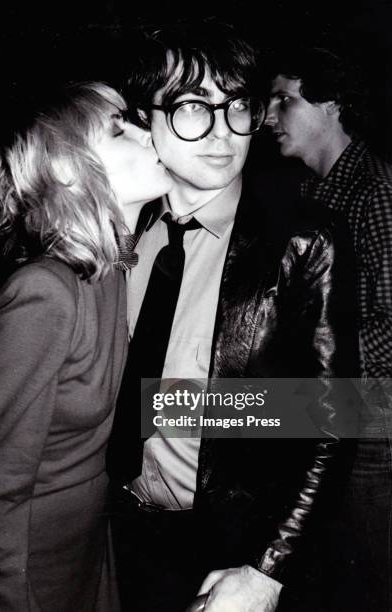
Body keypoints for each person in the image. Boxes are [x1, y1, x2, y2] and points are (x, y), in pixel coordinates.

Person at [106, 25, 358, 612]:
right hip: (116, 532)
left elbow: (334, 417)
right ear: (147, 120)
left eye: (237, 105)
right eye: (194, 106)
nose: (222, 132)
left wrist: (269, 569)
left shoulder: (303, 238)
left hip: (234, 553)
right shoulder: (119, 230)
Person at [0, 81, 173, 612]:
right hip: (27, 573)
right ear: (69, 170)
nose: (151, 134)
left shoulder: (111, 272)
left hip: (87, 554)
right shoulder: (42, 294)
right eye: (122, 129)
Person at [265, 47, 392, 612]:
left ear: (331, 105)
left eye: (283, 100)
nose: (269, 115)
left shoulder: (373, 192)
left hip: (370, 421)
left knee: (364, 581)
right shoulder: (310, 191)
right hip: (326, 413)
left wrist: (315, 364)